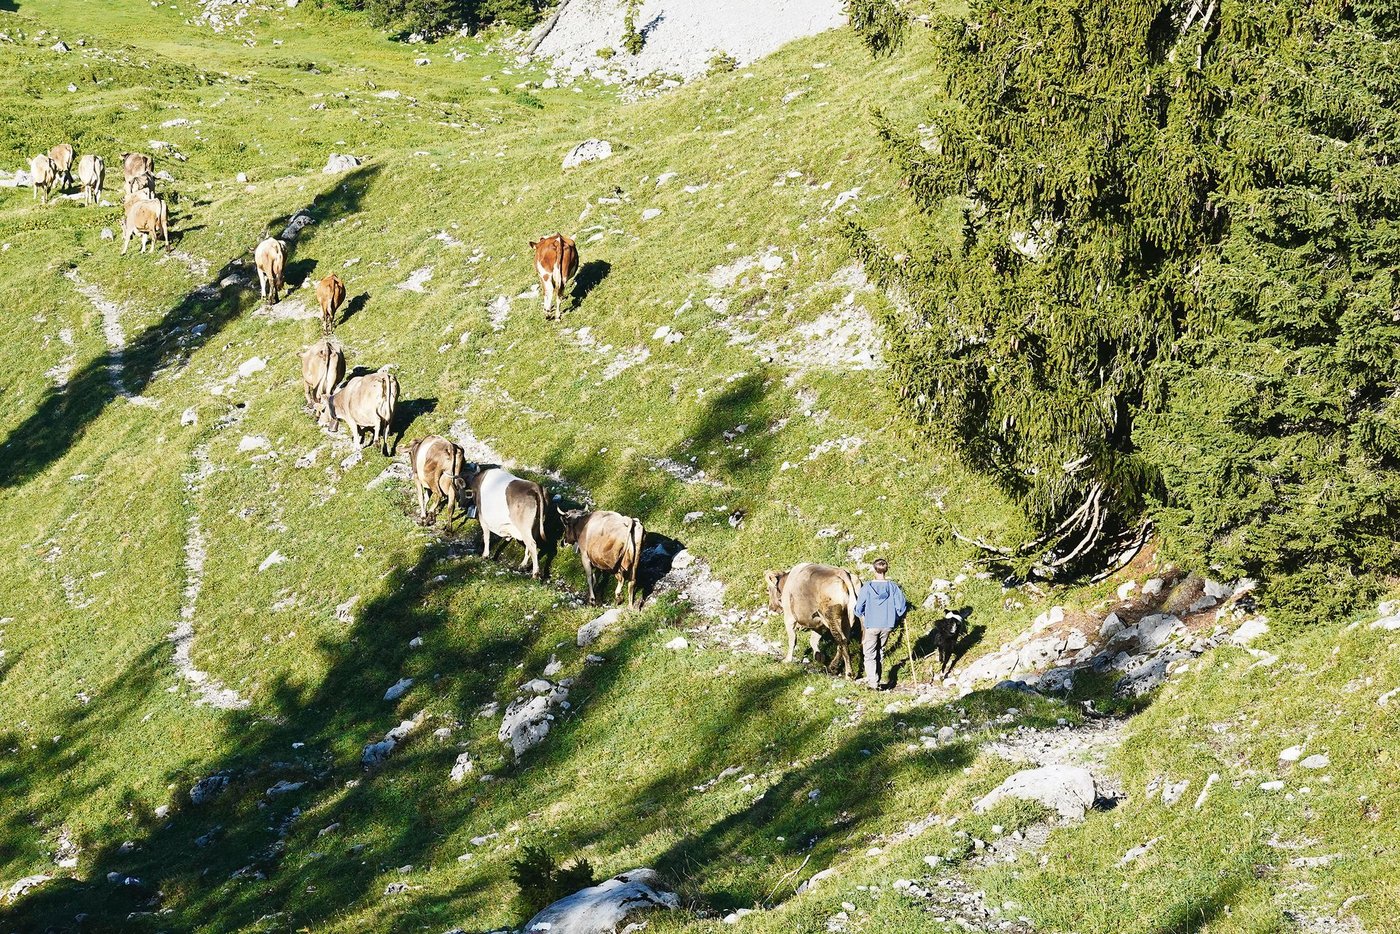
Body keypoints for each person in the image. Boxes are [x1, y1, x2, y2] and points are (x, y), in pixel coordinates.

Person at [853, 558, 907, 690]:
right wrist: (900, 615)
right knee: (880, 651)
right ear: (886, 570)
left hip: (872, 624)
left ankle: (873, 683)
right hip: (887, 624)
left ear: (874, 569)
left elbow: (859, 607)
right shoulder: (893, 587)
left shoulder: (867, 587)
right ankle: (878, 678)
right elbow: (901, 607)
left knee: (869, 653)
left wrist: (859, 614)